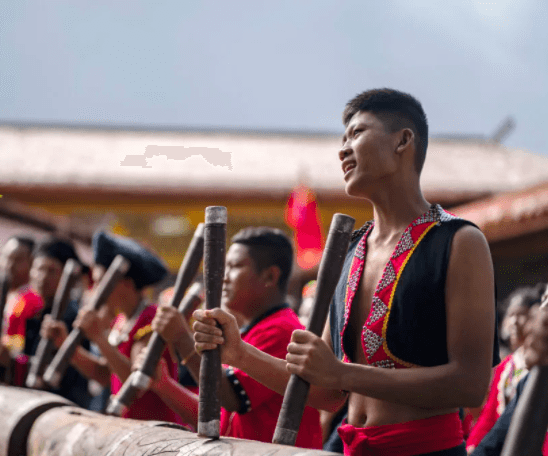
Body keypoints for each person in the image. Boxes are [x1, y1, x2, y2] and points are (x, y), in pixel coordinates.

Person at [193, 88, 499, 455]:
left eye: (357, 133)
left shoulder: (459, 241)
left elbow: (470, 384)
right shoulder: (348, 252)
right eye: (342, 139)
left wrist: (343, 374)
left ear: (403, 141)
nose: (342, 150)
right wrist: (240, 353)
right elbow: (325, 392)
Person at [144, 227, 323, 448]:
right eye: (224, 266)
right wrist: (164, 384)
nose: (223, 277)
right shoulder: (252, 329)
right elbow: (214, 417)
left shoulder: (281, 330)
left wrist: (182, 338)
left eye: (235, 266)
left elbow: (231, 396)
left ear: (270, 276)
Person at [40, 231, 178, 421]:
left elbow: (137, 385)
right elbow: (105, 374)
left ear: (127, 283)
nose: (95, 290)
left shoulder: (151, 320)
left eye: (100, 282)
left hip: (153, 431)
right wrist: (65, 344)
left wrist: (99, 339)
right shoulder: (122, 320)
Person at [0, 237, 92, 407]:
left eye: (51, 271)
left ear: (67, 276)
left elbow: (60, 375)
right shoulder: (34, 312)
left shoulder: (73, 317)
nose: (42, 277)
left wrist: (10, 361)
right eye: (38, 268)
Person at [466, 285, 542, 452]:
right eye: (511, 315)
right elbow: (490, 418)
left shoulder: (539, 367)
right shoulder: (506, 366)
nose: (514, 322)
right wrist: (473, 446)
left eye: (521, 315)